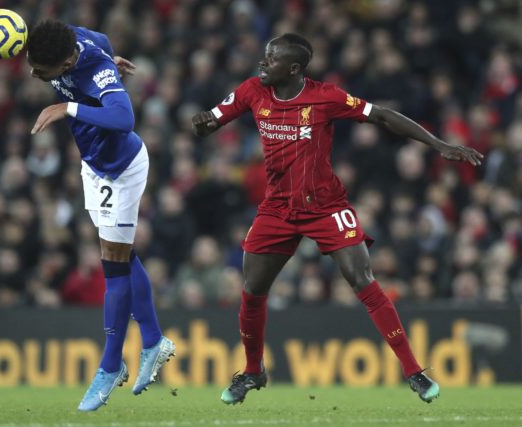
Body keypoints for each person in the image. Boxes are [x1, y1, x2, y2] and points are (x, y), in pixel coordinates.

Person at [192, 33, 483, 405]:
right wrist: (202, 125)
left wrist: (440, 145)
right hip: (277, 208)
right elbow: (212, 120)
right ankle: (252, 371)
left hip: (326, 206)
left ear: (294, 68)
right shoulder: (253, 90)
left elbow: (381, 115)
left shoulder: (326, 96)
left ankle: (414, 371)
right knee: (252, 290)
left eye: (271, 58)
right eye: (265, 56)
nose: (262, 62)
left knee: (362, 278)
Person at [26, 19, 175, 411]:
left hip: (120, 170)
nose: (32, 74)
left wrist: (68, 105)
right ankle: (155, 340)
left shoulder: (94, 69)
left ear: (65, 65)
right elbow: (103, 40)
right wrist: (109, 58)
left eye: (41, 72)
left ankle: (110, 367)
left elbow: (125, 118)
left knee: (112, 265)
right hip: (94, 167)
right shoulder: (76, 39)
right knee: (123, 258)